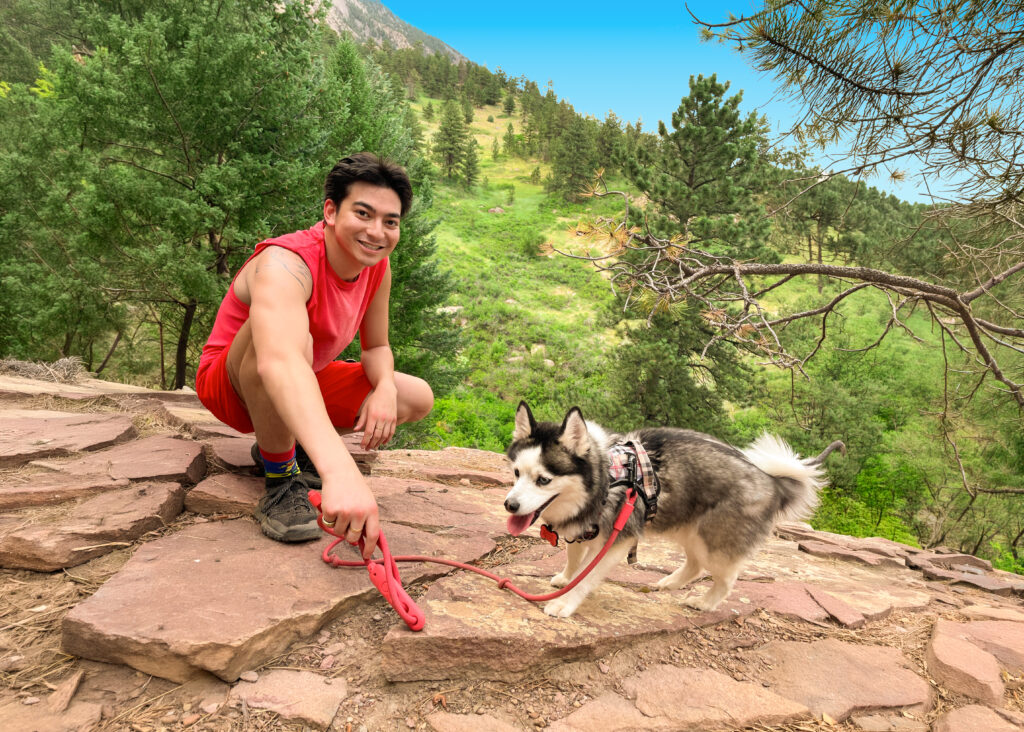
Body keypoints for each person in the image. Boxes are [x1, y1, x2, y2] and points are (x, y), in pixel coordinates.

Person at [195, 153, 434, 557]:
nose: (377, 232)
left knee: (415, 395)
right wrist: (339, 470)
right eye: (363, 213)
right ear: (330, 211)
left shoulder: (376, 266)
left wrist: (386, 389)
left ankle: (289, 442)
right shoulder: (284, 264)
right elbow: (280, 360)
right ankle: (281, 478)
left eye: (390, 222)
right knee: (289, 339)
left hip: (301, 372)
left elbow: (375, 347)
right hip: (234, 384)